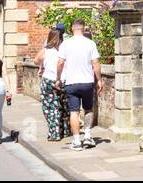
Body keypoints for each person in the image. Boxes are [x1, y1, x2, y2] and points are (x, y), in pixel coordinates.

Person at [56, 18, 102, 150]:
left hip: (72, 82)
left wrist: (58, 78)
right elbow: (96, 64)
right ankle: (87, 135)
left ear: (72, 29)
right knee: (88, 109)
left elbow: (60, 63)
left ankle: (76, 141)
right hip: (87, 81)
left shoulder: (66, 44)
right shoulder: (90, 43)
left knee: (74, 112)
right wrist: (99, 79)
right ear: (84, 28)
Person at [39, 28, 69, 141]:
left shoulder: (46, 50)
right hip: (63, 80)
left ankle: (54, 133)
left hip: (49, 80)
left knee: (50, 107)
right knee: (63, 107)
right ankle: (65, 131)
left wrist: (43, 64)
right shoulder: (65, 49)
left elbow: (36, 60)